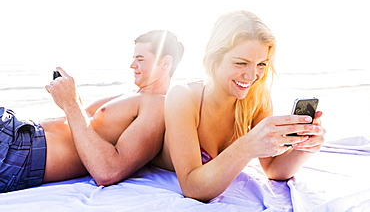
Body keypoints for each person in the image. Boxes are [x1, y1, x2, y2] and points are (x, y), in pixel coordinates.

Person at [152, 11, 326, 202]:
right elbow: (192, 187)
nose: (252, 76)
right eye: (241, 63)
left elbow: (273, 169)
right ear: (214, 59)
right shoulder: (183, 97)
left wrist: (304, 147)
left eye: (261, 64)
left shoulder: (257, 99)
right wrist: (246, 147)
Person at [0, 30, 184, 193]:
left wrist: (71, 103)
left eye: (140, 59)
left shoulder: (158, 105)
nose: (132, 65)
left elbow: (109, 171)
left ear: (165, 63)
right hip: (16, 134)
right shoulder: (134, 95)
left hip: (21, 153)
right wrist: (70, 99)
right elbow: (86, 125)